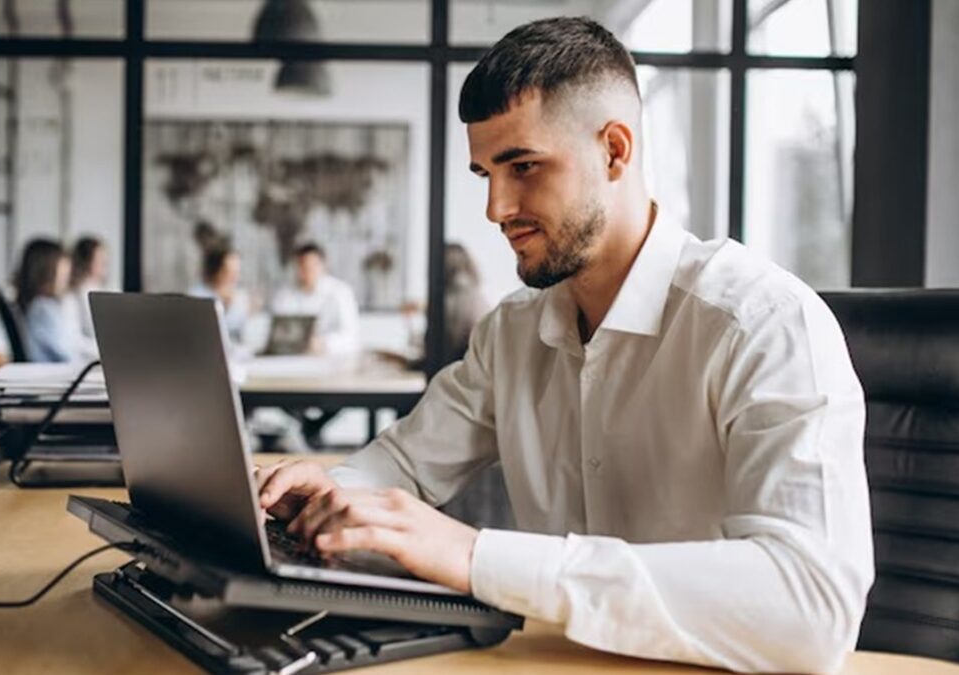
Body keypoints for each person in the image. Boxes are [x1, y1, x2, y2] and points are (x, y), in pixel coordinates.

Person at [255, 17, 873, 674]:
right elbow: (403, 463)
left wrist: (475, 558)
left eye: (522, 166)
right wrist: (324, 493)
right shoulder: (512, 332)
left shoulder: (763, 323)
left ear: (614, 150)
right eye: (485, 172)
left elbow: (813, 607)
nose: (496, 207)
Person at [15, 238, 98, 364]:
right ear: (46, 274)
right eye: (62, 275)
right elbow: (67, 354)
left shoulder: (43, 305)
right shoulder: (42, 308)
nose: (66, 280)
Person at [269, 242, 360, 356]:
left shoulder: (340, 292)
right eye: (303, 266)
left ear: (323, 265)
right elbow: (277, 336)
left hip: (333, 360)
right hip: (293, 359)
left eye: (313, 266)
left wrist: (323, 343)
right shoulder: (284, 296)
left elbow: (350, 336)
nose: (308, 271)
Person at [188, 242, 251, 346]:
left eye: (237, 272)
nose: (235, 278)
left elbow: (244, 335)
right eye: (229, 272)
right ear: (215, 271)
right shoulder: (197, 297)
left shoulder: (240, 297)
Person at [67, 235, 109, 341]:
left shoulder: (105, 289)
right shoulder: (75, 295)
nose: (104, 265)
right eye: (100, 260)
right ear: (86, 262)